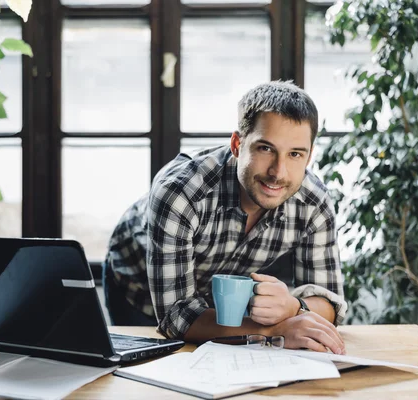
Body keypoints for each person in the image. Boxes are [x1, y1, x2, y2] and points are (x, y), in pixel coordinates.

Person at [103, 81, 347, 354]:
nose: (279, 172)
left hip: (221, 305)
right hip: (140, 288)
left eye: (294, 154)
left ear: (309, 156)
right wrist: (273, 332)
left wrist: (295, 307)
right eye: (265, 149)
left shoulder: (313, 202)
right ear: (237, 144)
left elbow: (329, 301)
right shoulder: (182, 192)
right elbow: (176, 317)